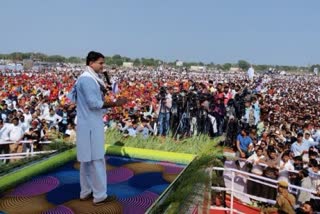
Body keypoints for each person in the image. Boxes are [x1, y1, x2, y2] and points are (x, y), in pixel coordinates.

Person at [72, 51, 127, 206]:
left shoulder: (85, 78)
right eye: (101, 63)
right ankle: (100, 196)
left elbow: (76, 98)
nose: (103, 66)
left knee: (86, 161)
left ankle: (86, 192)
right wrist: (116, 103)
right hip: (91, 125)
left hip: (86, 123)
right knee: (97, 160)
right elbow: (93, 103)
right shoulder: (88, 80)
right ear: (91, 63)